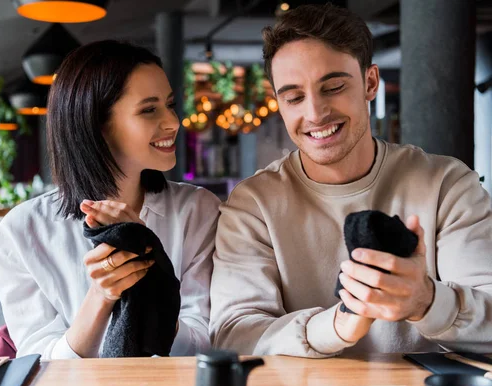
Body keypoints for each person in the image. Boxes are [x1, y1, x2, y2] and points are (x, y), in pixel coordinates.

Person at [209, 3, 492, 357]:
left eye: (333, 88)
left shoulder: (447, 184)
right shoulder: (253, 205)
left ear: (370, 82)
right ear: (280, 103)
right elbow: (233, 335)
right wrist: (338, 324)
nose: (314, 114)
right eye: (295, 97)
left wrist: (427, 301)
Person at [0, 40, 220, 359]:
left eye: (170, 104)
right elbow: (38, 363)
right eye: (149, 109)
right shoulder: (22, 232)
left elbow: (205, 344)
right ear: (97, 124)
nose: (173, 122)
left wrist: (153, 287)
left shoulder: (198, 210)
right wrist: (101, 296)